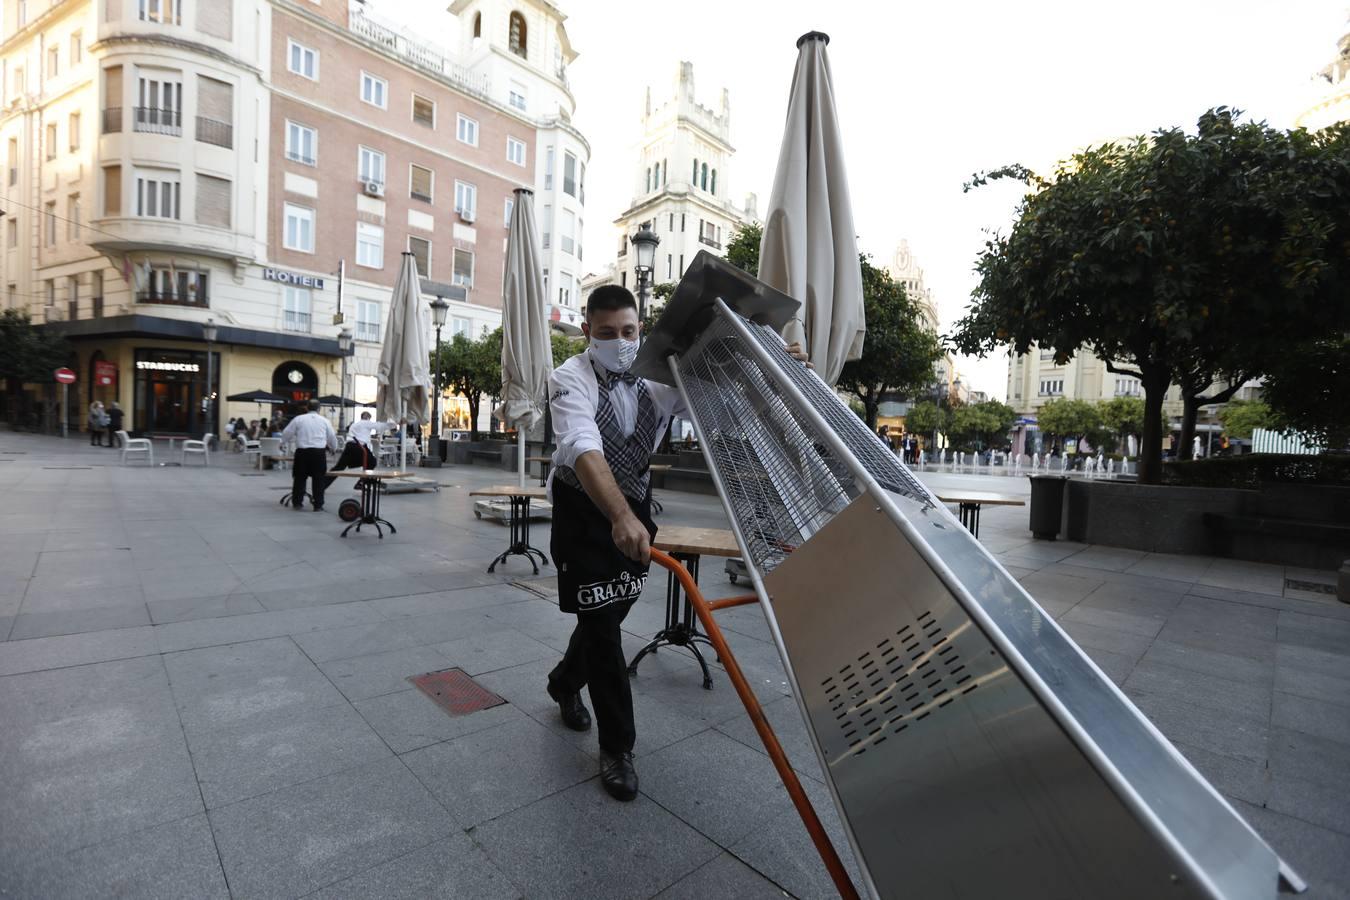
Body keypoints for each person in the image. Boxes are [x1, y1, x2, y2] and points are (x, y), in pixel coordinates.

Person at [545, 284, 808, 802]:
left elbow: (726, 398)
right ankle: (617, 747)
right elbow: (581, 445)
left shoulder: (660, 377)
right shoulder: (567, 379)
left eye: (628, 331)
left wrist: (778, 368)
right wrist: (618, 516)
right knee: (601, 625)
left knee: (610, 611)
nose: (619, 342)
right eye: (606, 333)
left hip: (636, 503)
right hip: (583, 509)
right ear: (586, 333)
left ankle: (562, 681)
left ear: (640, 328)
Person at [281, 399, 338, 511]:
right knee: (319, 479)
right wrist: (334, 448)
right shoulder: (325, 421)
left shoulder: (298, 419)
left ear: (307, 407)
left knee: (299, 478)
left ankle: (297, 502)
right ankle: (318, 505)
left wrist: (282, 443)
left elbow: (287, 432)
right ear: (319, 408)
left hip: (302, 452)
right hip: (318, 453)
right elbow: (332, 436)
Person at [325, 411, 394, 487]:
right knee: (372, 462)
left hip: (349, 446)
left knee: (339, 467)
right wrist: (395, 424)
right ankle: (362, 481)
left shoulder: (354, 425)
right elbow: (380, 426)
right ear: (368, 418)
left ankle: (323, 485)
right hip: (360, 447)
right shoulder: (367, 422)